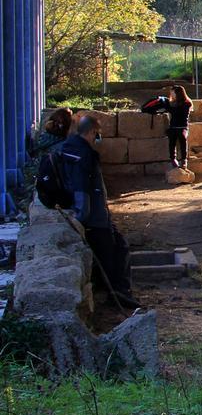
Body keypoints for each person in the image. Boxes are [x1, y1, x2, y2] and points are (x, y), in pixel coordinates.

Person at [60, 116, 140, 309]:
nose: (99, 138)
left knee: (118, 248)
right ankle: (118, 295)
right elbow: (82, 187)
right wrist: (83, 217)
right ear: (90, 132)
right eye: (97, 134)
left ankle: (116, 292)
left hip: (93, 214)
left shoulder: (68, 147)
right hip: (94, 217)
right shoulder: (84, 154)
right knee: (114, 253)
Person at [162, 85, 192, 168]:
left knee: (182, 138)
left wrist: (168, 106)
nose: (171, 95)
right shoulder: (172, 103)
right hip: (173, 127)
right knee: (172, 139)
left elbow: (178, 112)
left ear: (178, 93)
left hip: (182, 127)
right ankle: (173, 159)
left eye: (173, 93)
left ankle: (184, 160)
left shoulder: (187, 103)